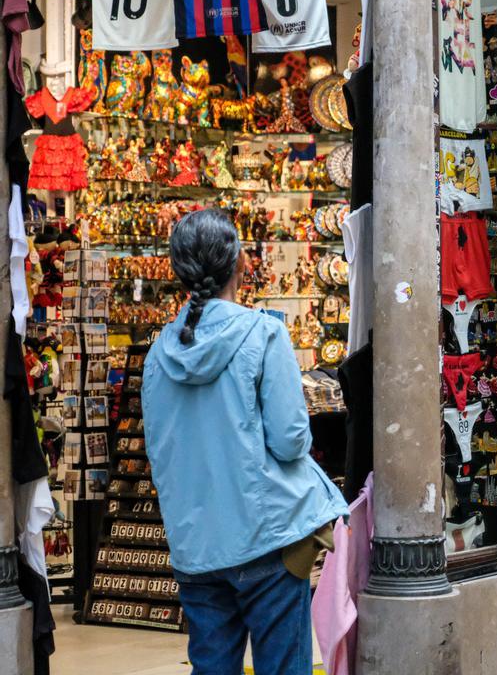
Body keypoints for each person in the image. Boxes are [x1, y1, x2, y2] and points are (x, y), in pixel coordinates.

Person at [142, 209, 348, 674]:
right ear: (240, 264)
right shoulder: (263, 332)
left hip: (196, 546)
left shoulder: (159, 353)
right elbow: (292, 440)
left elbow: (161, 453)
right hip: (265, 541)